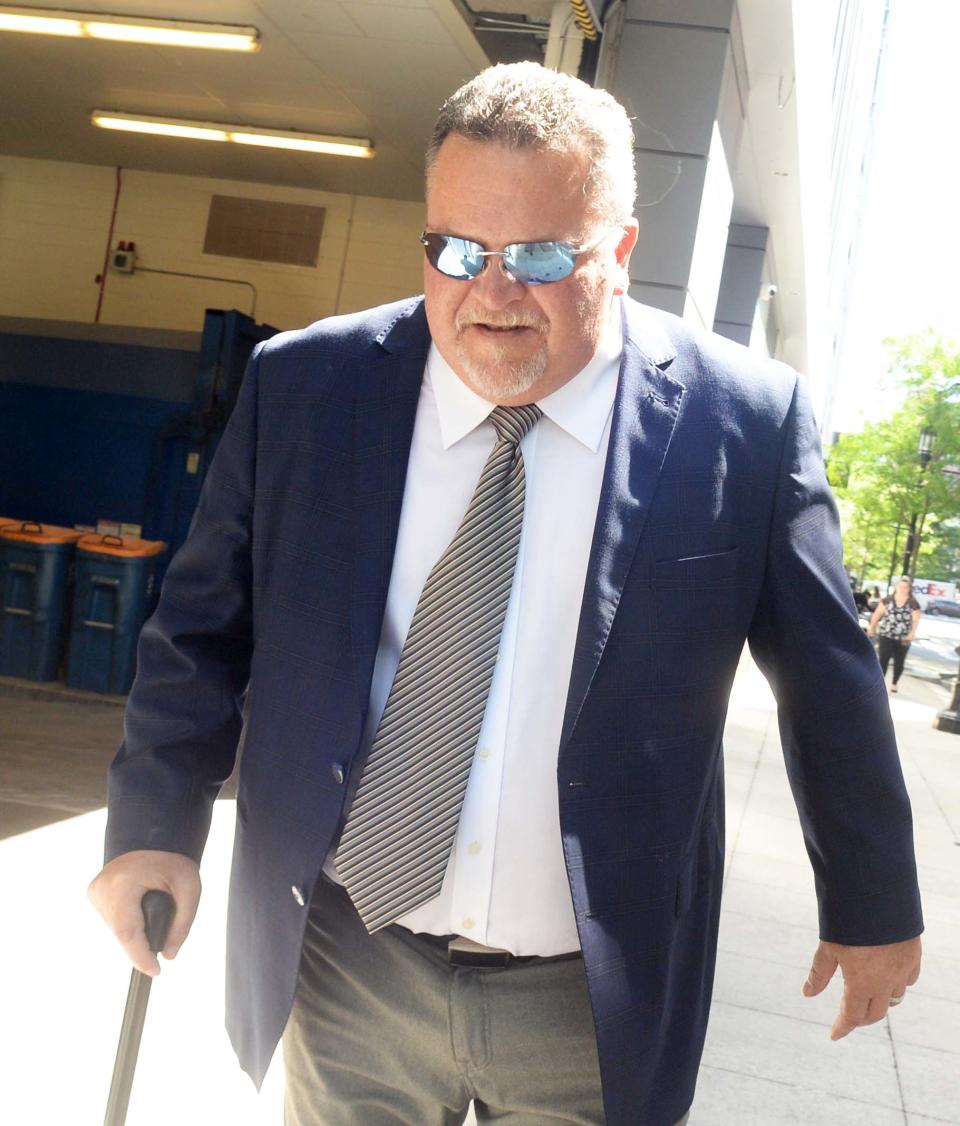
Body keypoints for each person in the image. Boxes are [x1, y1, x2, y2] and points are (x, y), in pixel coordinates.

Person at [88, 63, 923, 1126]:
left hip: (588, 992)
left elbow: (828, 678)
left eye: (535, 255)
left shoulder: (741, 425)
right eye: (454, 250)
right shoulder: (307, 387)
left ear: (617, 253)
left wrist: (870, 899)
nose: (490, 293)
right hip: (348, 967)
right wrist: (152, 822)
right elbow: (201, 631)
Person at [868, 577, 922, 693]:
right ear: (896, 587)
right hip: (886, 634)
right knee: (883, 659)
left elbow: (916, 620)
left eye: (905, 587)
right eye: (900, 586)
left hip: (904, 638)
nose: (903, 589)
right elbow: (877, 614)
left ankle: (894, 683)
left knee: (899, 661)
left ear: (909, 589)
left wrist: (912, 634)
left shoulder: (913, 603)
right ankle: (879, 684)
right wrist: (871, 627)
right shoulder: (887, 600)